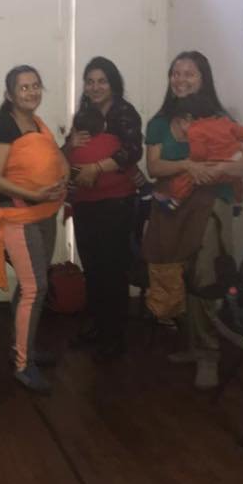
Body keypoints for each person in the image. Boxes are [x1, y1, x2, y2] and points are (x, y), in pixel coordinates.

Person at [143, 51, 243, 389]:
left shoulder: (221, 120)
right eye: (175, 73)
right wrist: (188, 166)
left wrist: (220, 168)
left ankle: (208, 353)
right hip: (171, 206)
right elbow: (154, 168)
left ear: (203, 79)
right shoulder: (160, 122)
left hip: (210, 205)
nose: (180, 79)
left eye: (189, 73)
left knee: (205, 277)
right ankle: (193, 345)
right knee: (178, 274)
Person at [0, 66, 68, 393]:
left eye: (35, 86)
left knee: (32, 285)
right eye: (23, 87)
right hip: (18, 215)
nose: (31, 92)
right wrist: (35, 194)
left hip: (44, 213)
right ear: (10, 95)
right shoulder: (4, 127)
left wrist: (60, 181)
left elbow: (54, 161)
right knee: (35, 288)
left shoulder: (39, 124)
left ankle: (23, 346)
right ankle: (22, 364)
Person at [64, 57, 144, 359]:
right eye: (90, 81)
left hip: (116, 202)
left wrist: (96, 168)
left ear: (113, 84)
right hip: (85, 202)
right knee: (93, 268)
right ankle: (98, 326)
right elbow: (66, 153)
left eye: (102, 81)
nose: (95, 87)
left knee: (113, 269)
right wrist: (70, 143)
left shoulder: (124, 113)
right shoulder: (83, 115)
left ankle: (115, 336)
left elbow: (132, 151)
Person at [152, 95, 243, 210]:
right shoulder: (226, 122)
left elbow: (199, 154)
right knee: (236, 179)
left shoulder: (195, 129)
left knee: (186, 179)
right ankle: (237, 202)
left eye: (178, 123)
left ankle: (174, 201)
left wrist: (192, 162)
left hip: (214, 164)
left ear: (187, 118)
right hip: (235, 158)